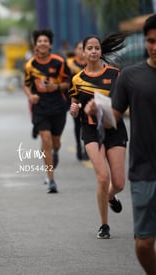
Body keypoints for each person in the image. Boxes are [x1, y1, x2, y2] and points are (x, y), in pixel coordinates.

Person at [86, 14, 156, 274]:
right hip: (145, 171)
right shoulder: (130, 76)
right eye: (150, 41)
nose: (155, 47)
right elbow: (112, 119)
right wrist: (98, 110)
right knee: (144, 243)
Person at [69, 32, 129, 239]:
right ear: (83, 52)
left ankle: (111, 196)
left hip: (114, 128)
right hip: (91, 130)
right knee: (103, 178)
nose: (93, 51)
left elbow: (123, 103)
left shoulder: (115, 74)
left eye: (96, 48)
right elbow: (74, 103)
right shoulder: (77, 79)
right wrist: (74, 110)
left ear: (100, 51)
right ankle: (104, 225)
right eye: (89, 48)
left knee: (119, 183)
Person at [23, 29, 71, 193]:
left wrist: (55, 87)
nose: (42, 43)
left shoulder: (59, 61)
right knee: (46, 140)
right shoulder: (30, 65)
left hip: (58, 105)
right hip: (40, 106)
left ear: (50, 44)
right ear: (35, 45)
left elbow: (68, 83)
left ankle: (55, 151)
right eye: (39, 41)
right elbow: (26, 83)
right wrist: (31, 96)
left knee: (55, 143)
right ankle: (51, 179)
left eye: (45, 41)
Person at [66, 41, 88, 161]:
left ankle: (86, 148)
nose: (81, 51)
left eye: (83, 48)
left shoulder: (90, 64)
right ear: (75, 51)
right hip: (74, 98)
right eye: (79, 48)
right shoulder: (69, 63)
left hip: (88, 98)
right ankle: (79, 146)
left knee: (87, 124)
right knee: (77, 125)